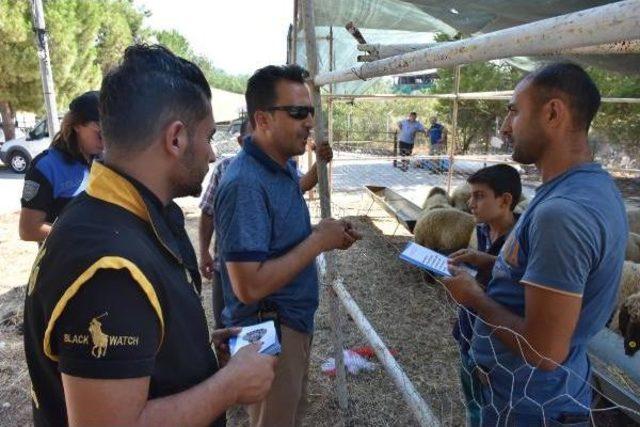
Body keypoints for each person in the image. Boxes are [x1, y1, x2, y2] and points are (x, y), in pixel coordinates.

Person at [23, 45, 275, 427]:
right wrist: (229, 385)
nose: (211, 155)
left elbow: (135, 347)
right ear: (176, 139)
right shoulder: (110, 265)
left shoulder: (117, 215)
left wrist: (193, 354)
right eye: (208, 137)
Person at [442, 63, 627, 425]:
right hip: (524, 396)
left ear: (553, 113)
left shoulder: (562, 213)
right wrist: (490, 263)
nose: (504, 127)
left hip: (528, 407)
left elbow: (543, 350)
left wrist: (474, 297)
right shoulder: (590, 188)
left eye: (514, 111)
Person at [214, 64, 361, 427]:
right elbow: (247, 287)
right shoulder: (246, 184)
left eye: (310, 111)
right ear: (262, 120)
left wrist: (327, 235)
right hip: (270, 330)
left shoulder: (281, 168)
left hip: (289, 324)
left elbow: (276, 236)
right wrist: (317, 241)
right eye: (297, 113)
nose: (309, 122)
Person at [199, 119, 333, 329]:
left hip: (264, 282)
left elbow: (301, 185)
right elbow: (207, 213)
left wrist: (320, 164)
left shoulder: (281, 168)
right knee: (226, 322)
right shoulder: (227, 171)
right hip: (226, 266)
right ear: (241, 141)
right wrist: (204, 250)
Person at [447, 163, 522, 426]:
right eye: (471, 195)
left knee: (490, 409)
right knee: (472, 401)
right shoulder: (481, 229)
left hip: (495, 345)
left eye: (479, 196)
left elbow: (518, 287)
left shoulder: (521, 241)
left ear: (505, 200)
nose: (470, 203)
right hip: (469, 327)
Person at [19, 91, 103, 242]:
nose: (105, 141)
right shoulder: (46, 167)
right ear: (77, 125)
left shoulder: (103, 160)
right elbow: (28, 230)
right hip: (63, 260)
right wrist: (83, 235)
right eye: (99, 132)